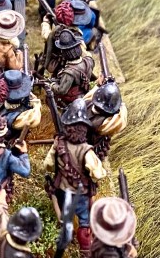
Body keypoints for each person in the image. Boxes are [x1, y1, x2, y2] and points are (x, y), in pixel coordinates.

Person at [43, 99, 109, 258]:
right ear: (84, 129)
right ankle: (86, 251)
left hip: (61, 190)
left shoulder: (58, 144)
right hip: (80, 195)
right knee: (85, 224)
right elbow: (98, 173)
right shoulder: (87, 151)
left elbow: (48, 164)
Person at [44, 29, 94, 106]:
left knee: (49, 98)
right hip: (85, 92)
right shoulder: (89, 61)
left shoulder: (69, 72)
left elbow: (61, 90)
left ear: (65, 53)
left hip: (73, 99)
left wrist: (52, 85)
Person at [0, 69, 42, 144]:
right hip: (12, 138)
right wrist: (36, 103)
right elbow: (35, 120)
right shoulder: (20, 117)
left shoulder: (4, 101)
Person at [84, 81, 127, 160]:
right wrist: (120, 105)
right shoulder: (104, 124)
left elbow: (91, 95)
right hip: (89, 146)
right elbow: (121, 120)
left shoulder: (87, 102)